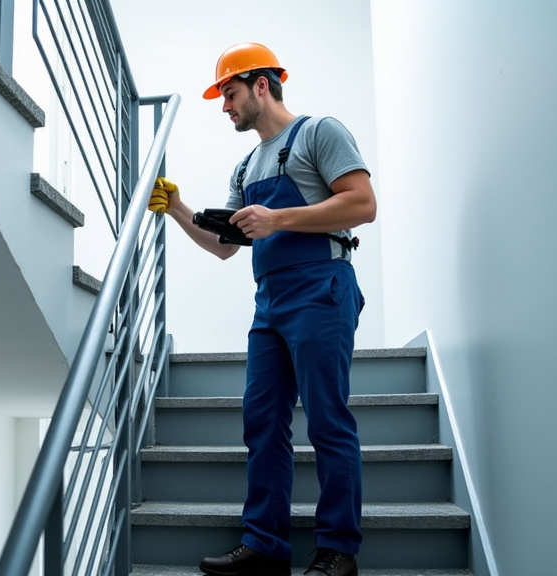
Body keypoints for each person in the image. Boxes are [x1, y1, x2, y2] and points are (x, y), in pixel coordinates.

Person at [148, 42, 376, 576]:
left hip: (322, 285)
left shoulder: (320, 132)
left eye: (228, 93)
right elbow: (225, 247)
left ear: (261, 85)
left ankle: (338, 550)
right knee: (262, 422)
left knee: (327, 421)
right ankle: (265, 545)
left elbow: (362, 204)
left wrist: (277, 219)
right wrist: (179, 210)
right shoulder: (246, 164)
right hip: (269, 301)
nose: (224, 106)